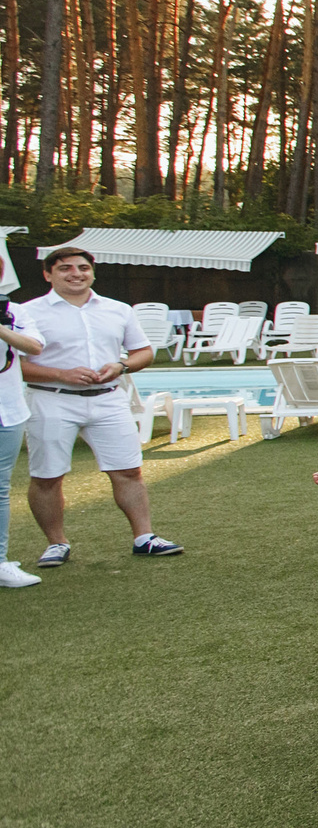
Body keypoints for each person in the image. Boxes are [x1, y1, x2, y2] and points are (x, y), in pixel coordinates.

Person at [19, 247, 181, 563]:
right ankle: (56, 543)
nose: (75, 273)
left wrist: (121, 366)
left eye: (83, 267)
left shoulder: (117, 310)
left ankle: (144, 537)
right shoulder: (28, 313)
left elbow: (143, 352)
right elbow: (15, 364)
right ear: (47, 274)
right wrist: (61, 374)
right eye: (65, 268)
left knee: (129, 470)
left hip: (109, 400)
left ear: (93, 272)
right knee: (47, 476)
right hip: (51, 400)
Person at [0, 298, 44, 587]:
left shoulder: (13, 311)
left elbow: (34, 347)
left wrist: (2, 329)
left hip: (8, 411)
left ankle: (0, 562)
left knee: (0, 488)